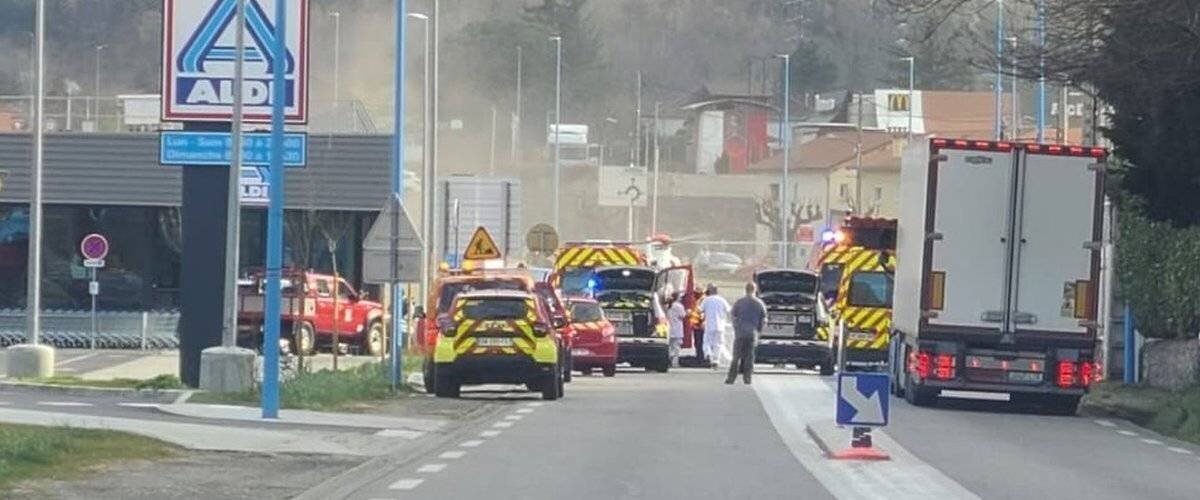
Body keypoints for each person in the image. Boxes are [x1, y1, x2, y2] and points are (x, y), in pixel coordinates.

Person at [727, 282, 767, 385]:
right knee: (749, 357)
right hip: (752, 333)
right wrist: (759, 331)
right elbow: (764, 320)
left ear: (745, 289)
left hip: (740, 333)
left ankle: (731, 378)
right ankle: (747, 379)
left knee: (736, 357)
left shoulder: (739, 302)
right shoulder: (759, 303)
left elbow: (732, 316)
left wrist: (736, 327)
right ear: (755, 290)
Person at [699, 284, 731, 370]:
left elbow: (700, 310)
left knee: (707, 342)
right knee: (718, 344)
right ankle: (716, 360)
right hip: (720, 325)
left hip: (709, 324)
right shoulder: (722, 300)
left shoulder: (706, 300)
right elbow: (729, 310)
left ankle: (708, 353)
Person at [666, 292, 687, 367]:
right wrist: (688, 312)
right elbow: (683, 315)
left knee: (669, 346)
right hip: (677, 328)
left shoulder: (668, 305)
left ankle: (667, 360)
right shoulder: (678, 306)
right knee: (676, 347)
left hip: (669, 328)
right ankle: (674, 362)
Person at [689, 286, 706, 364]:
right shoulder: (696, 300)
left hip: (700, 326)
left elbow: (702, 313)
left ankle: (701, 358)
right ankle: (699, 357)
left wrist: (701, 321)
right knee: (697, 343)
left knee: (700, 343)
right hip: (696, 325)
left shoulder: (703, 300)